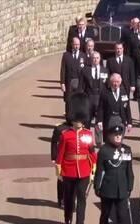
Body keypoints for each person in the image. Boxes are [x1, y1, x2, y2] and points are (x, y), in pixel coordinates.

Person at [55, 92, 97, 224]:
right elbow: (60, 154)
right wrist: (59, 171)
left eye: (80, 119)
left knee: (82, 198)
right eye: (76, 119)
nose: (79, 122)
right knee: (69, 199)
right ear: (72, 118)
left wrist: (93, 169)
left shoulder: (88, 134)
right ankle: (67, 219)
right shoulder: (65, 135)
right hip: (68, 171)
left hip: (84, 171)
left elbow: (91, 152)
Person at [94, 125, 134, 224]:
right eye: (115, 135)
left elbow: (129, 171)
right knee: (105, 215)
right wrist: (97, 186)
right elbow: (99, 170)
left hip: (122, 188)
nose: (118, 137)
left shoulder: (127, 149)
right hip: (107, 188)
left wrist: (130, 186)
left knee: (122, 216)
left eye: (120, 135)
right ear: (109, 136)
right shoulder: (104, 150)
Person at [97, 73, 132, 140]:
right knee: (109, 139)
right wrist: (99, 121)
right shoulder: (105, 92)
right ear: (111, 82)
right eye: (114, 82)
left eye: (117, 82)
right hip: (109, 119)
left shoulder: (124, 92)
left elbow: (127, 108)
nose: (116, 84)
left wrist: (129, 122)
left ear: (120, 82)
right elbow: (101, 108)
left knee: (119, 139)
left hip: (121, 119)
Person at [79, 51, 109, 131]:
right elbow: (81, 87)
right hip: (89, 99)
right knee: (87, 121)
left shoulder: (105, 70)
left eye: (97, 58)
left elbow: (107, 87)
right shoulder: (85, 70)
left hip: (100, 99)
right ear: (90, 59)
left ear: (100, 59)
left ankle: (98, 142)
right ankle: (86, 139)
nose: (95, 60)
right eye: (93, 58)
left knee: (99, 122)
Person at [51, 119, 72, 208]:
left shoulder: (81, 128)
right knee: (62, 179)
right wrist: (54, 158)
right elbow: (54, 143)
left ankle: (71, 200)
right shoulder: (60, 128)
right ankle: (62, 199)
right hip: (62, 157)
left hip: (74, 159)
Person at [60, 37, 87, 102]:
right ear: (72, 44)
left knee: (79, 99)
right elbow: (63, 69)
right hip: (69, 81)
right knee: (69, 99)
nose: (77, 46)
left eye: (78, 44)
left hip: (79, 81)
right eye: (75, 44)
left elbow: (86, 70)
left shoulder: (83, 55)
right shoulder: (66, 55)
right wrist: (62, 83)